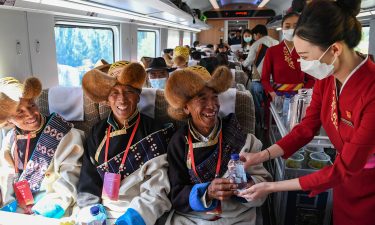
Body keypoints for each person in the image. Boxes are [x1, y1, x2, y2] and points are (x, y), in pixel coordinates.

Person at [239, 1, 375, 225]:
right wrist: (262, 155)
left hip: (368, 186)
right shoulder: (327, 80)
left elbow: (345, 167)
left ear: (335, 50)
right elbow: (306, 127)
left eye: (304, 56)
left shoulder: (371, 91)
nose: (301, 64)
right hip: (344, 184)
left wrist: (271, 187)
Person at [164, 65, 272, 224]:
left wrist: (249, 185)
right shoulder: (179, 143)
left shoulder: (242, 139)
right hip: (192, 219)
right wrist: (206, 192)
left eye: (214, 97)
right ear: (186, 107)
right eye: (202, 98)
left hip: (237, 217)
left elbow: (264, 183)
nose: (212, 105)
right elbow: (175, 194)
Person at [77, 62, 173, 224]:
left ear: (138, 96)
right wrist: (91, 212)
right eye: (114, 92)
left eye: (128, 91)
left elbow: (157, 189)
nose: (122, 99)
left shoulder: (155, 130)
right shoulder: (97, 132)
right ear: (107, 100)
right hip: (102, 209)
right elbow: (88, 179)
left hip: (141, 212)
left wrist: (134, 218)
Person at [0, 77, 84, 218]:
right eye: (20, 112)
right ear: (8, 119)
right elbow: (7, 176)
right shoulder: (10, 139)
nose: (31, 114)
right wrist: (10, 204)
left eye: (32, 105)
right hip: (20, 208)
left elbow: (70, 180)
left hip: (55, 207)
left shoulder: (67, 136)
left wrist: (45, 211)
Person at [261, 12, 315, 100]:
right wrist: (272, 93)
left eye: (295, 26)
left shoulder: (306, 51)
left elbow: (311, 79)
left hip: (299, 97)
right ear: (282, 28)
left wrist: (302, 94)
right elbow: (264, 79)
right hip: (278, 96)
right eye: (287, 26)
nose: (291, 29)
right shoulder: (272, 51)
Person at [242, 24, 278, 135]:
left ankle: (259, 124)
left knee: (257, 103)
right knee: (272, 105)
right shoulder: (277, 43)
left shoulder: (256, 45)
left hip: (259, 80)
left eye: (254, 35)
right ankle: (269, 124)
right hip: (274, 81)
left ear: (258, 34)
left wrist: (242, 63)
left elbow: (248, 61)